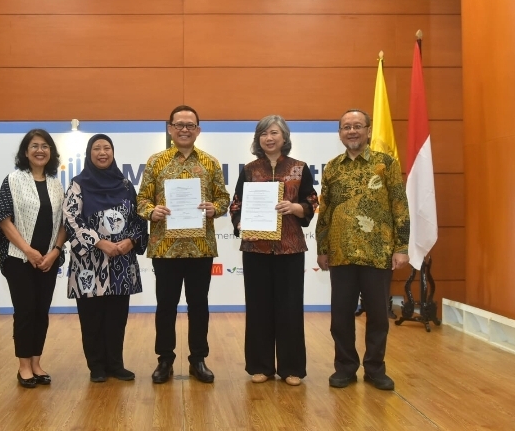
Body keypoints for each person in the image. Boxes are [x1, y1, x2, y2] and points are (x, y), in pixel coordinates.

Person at [315, 109, 410, 391]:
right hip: (341, 254)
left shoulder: (386, 164)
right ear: (340, 133)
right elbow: (326, 210)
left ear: (368, 130)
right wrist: (322, 248)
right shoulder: (332, 167)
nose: (352, 131)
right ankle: (345, 367)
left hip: (377, 253)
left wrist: (401, 247)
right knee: (340, 316)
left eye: (357, 126)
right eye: (346, 127)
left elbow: (399, 207)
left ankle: (375, 368)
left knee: (379, 316)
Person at [136, 105, 230, 384]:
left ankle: (198, 359)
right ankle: (165, 360)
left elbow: (224, 199)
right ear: (170, 129)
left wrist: (215, 208)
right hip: (165, 247)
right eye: (179, 125)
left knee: (199, 305)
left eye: (190, 125)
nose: (185, 129)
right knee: (166, 305)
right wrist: (150, 211)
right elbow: (141, 199)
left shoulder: (211, 163)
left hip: (200, 247)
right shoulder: (156, 162)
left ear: (198, 130)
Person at [229, 115, 319, 386]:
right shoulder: (249, 170)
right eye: (263, 134)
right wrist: (240, 222)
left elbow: (312, 202)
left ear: (284, 137)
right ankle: (260, 366)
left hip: (289, 248)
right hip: (256, 248)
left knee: (290, 308)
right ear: (258, 139)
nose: (269, 138)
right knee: (258, 307)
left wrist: (296, 208)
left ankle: (292, 368)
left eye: (274, 133)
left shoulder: (299, 168)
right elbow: (236, 204)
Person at [63, 134, 148, 383]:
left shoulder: (124, 185)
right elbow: (70, 219)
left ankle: (115, 364)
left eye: (107, 148)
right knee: (91, 318)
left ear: (113, 152)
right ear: (89, 154)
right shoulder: (78, 184)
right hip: (89, 265)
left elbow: (138, 217)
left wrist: (130, 241)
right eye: (97, 148)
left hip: (121, 261)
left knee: (116, 318)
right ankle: (96, 366)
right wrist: (100, 243)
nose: (102, 152)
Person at [0, 129, 68, 389]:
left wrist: (54, 252)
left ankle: (36, 362)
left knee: (41, 312)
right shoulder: (13, 180)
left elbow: (64, 223)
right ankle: (23, 366)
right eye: (34, 145)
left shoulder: (57, 184)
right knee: (25, 312)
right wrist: (28, 251)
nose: (40, 150)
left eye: (45, 146)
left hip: (48, 260)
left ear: (51, 153)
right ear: (26, 151)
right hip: (18, 259)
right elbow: (2, 219)